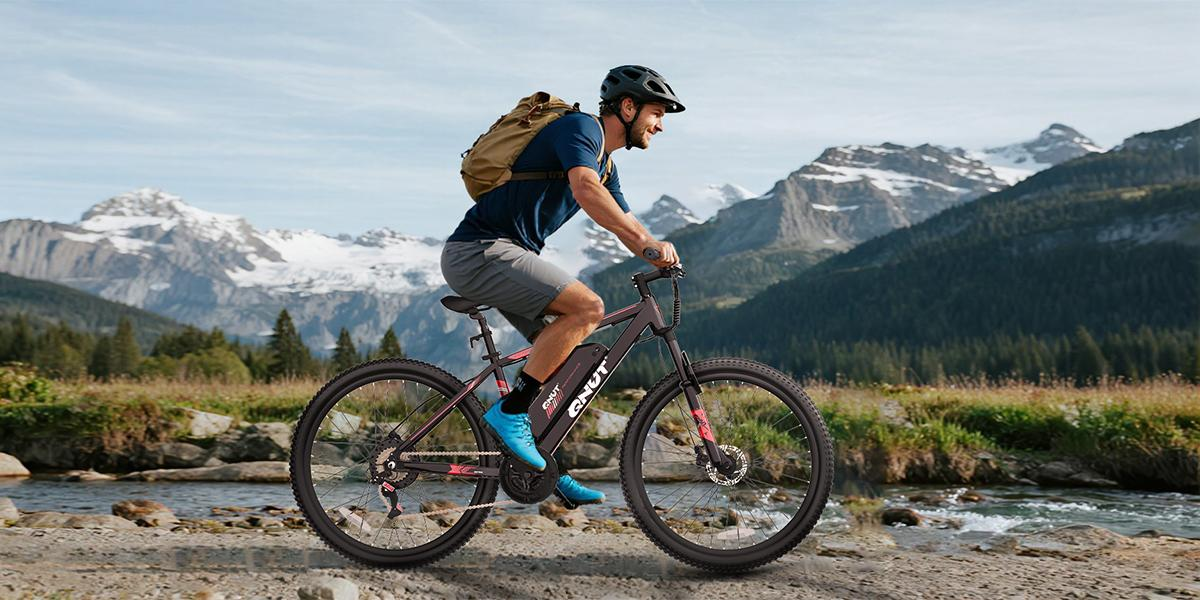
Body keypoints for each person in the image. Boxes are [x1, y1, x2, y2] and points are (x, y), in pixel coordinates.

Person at [440, 65, 684, 505]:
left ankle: (545, 466)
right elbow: (586, 190)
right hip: (479, 251)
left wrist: (655, 249)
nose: (661, 124)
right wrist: (647, 246)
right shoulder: (580, 129)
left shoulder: (605, 163)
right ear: (627, 107)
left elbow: (623, 218)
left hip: (504, 254)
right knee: (588, 308)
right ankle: (511, 413)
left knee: (562, 365)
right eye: (656, 112)